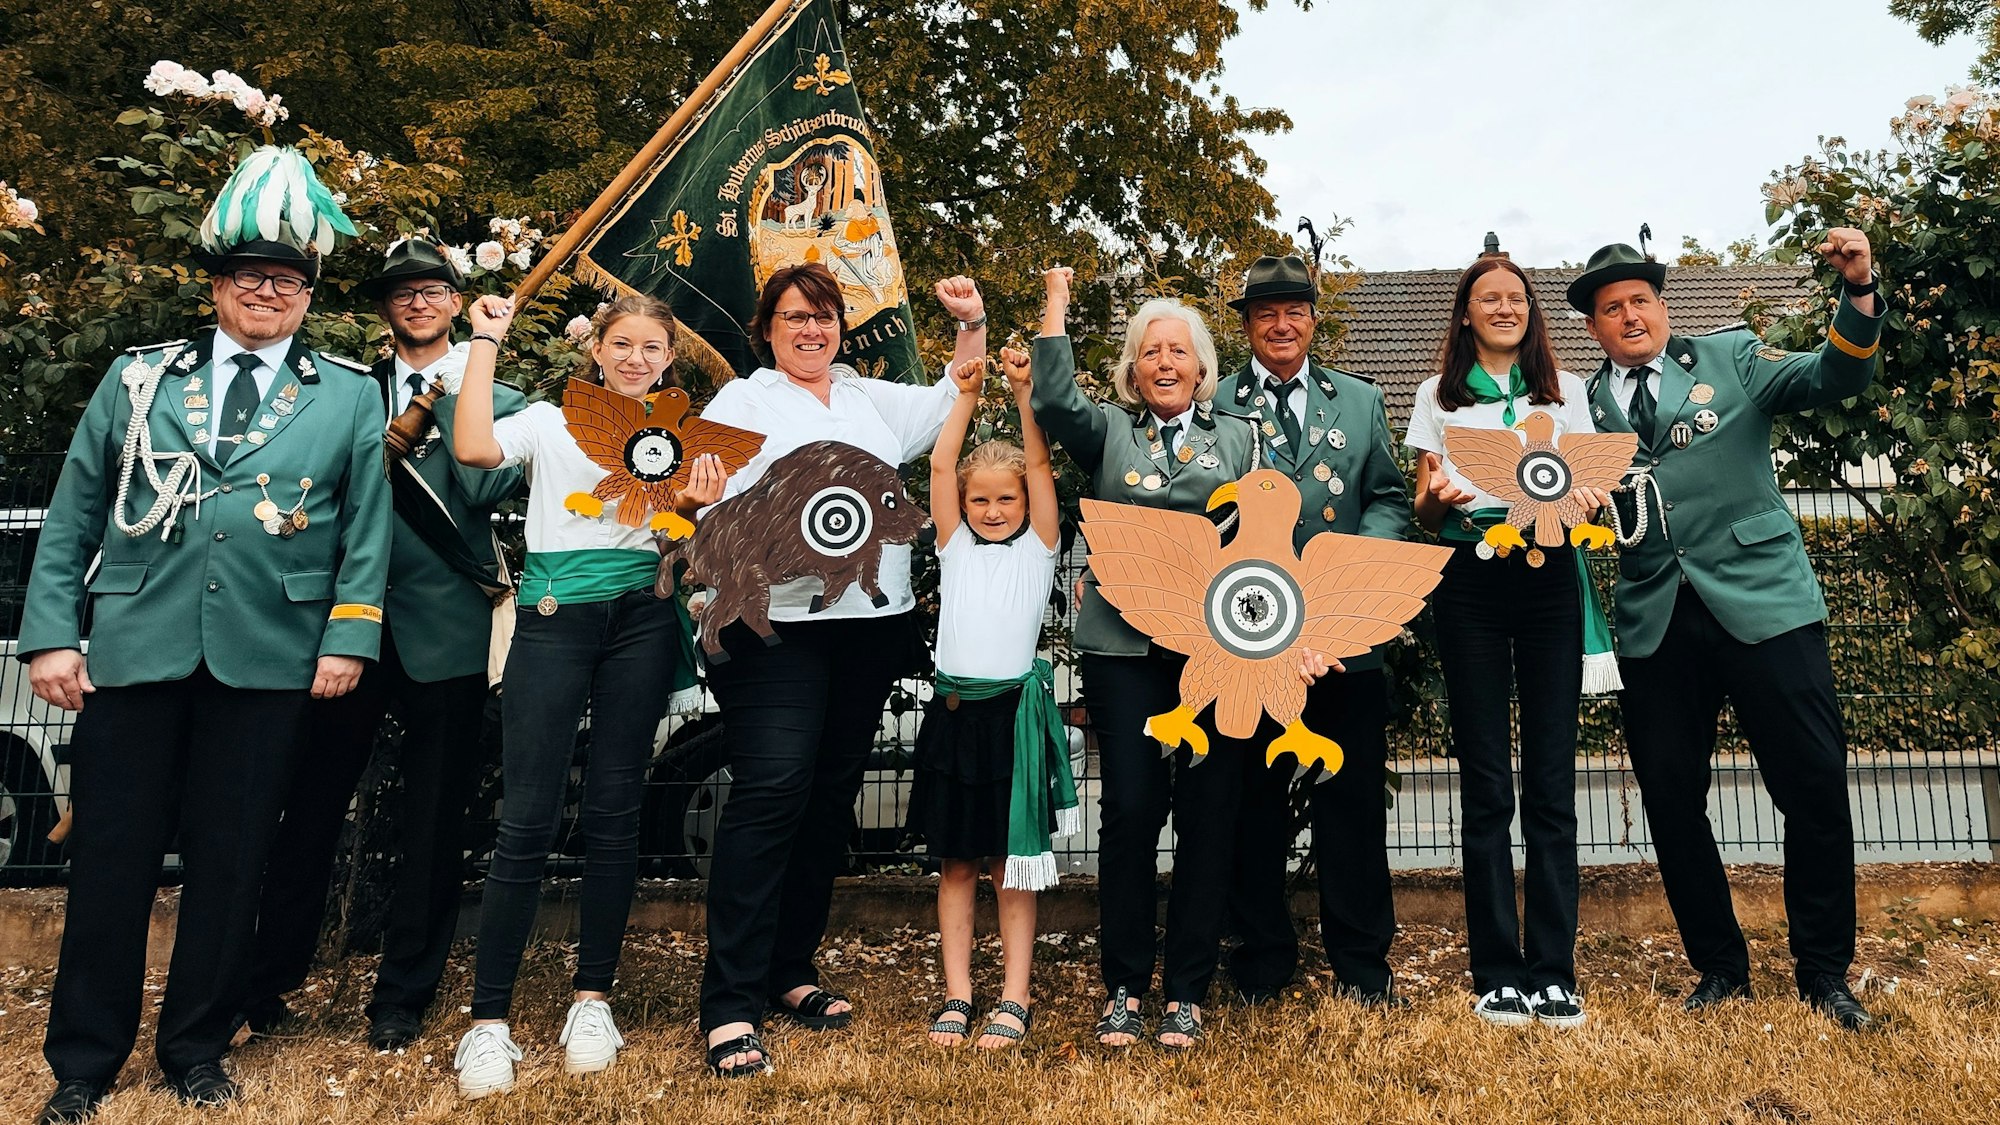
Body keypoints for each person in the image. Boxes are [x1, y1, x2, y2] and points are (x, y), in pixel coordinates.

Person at [20, 146, 389, 1124]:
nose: (267, 291)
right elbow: (74, 514)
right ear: (217, 287)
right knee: (111, 862)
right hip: (137, 653)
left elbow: (364, 530)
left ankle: (194, 1049)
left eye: (286, 279)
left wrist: (346, 641)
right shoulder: (138, 379)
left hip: (268, 659)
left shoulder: (348, 394)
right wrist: (53, 636)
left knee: (232, 865)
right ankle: (85, 1063)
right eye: (249, 277)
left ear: (307, 295)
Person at [1569, 232, 1882, 1030]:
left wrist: (1858, 290)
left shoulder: (1735, 358)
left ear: (1662, 308)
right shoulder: (1577, 408)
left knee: (1811, 787)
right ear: (1595, 328)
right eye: (1612, 308)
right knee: (1672, 799)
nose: (1629, 315)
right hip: (1656, 619)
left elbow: (1836, 373)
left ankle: (1823, 974)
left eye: (1640, 299)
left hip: (1765, 602)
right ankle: (1720, 967)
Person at [695, 264, 987, 1077]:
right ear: (768, 327)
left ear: (839, 328)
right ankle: (729, 1003)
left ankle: (789, 969)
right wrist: (698, 493)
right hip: (773, 627)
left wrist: (971, 322)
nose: (811, 331)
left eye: (823, 318)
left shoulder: (866, 397)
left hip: (869, 628)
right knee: (773, 790)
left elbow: (950, 395)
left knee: (828, 796)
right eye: (795, 318)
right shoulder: (743, 401)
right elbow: (696, 489)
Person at [235, 239, 527, 1052]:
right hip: (342, 630)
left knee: (435, 821)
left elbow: (483, 487)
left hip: (446, 632)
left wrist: (451, 400)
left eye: (434, 288)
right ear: (385, 306)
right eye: (403, 290)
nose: (419, 301)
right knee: (307, 809)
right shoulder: (335, 390)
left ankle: (402, 995)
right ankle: (265, 981)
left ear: (456, 300)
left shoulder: (499, 395)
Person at [1029, 266, 1327, 1050]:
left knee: (1209, 811)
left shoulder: (1238, 435)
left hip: (1217, 651)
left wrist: (1291, 631)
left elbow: (1267, 540)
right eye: (1150, 352)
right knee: (1130, 808)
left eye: (1180, 352)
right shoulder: (1110, 431)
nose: (1165, 363)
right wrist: (1056, 303)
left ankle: (1186, 989)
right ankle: (1125, 983)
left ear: (1202, 367)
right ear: (1134, 370)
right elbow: (1055, 400)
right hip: (1123, 648)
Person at [447, 293, 722, 1097]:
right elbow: (470, 446)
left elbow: (682, 532)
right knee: (526, 817)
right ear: (597, 349)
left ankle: (592, 1000)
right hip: (554, 619)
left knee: (614, 812)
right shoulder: (546, 418)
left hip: (639, 619)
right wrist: (485, 343)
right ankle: (487, 1021)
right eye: (623, 343)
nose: (637, 357)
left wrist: (696, 503)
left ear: (669, 358)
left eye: (652, 347)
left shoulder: (680, 433)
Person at [1406, 256, 1608, 1028]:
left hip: (1551, 577)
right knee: (1487, 781)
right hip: (1470, 583)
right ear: (1464, 313)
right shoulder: (1437, 397)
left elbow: (1590, 492)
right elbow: (1425, 508)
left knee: (1552, 782)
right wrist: (1438, 493)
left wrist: (1590, 496)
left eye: (1515, 298)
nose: (1503, 308)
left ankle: (1553, 969)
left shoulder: (1569, 393)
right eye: (1487, 298)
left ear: (1531, 312)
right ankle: (1497, 970)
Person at [1212, 254, 1412, 1012]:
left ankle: (1363, 966)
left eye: (1294, 309)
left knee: (1352, 807)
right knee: (1253, 804)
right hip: (1251, 642)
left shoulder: (1359, 400)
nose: (1282, 323)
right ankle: (1262, 958)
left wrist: (1354, 571)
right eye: (1266, 313)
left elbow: (1389, 497)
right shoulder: (1216, 404)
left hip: (1344, 642)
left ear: (1314, 318)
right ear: (1248, 326)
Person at [908, 344, 1077, 1051]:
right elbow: (941, 464)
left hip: (1013, 719)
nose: (993, 508)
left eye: (1005, 497)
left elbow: (1038, 464)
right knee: (956, 864)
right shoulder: (954, 547)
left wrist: (1023, 393)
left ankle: (1013, 995)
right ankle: (957, 992)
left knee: (1012, 867)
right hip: (953, 717)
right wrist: (968, 398)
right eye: (982, 499)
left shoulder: (1040, 547)